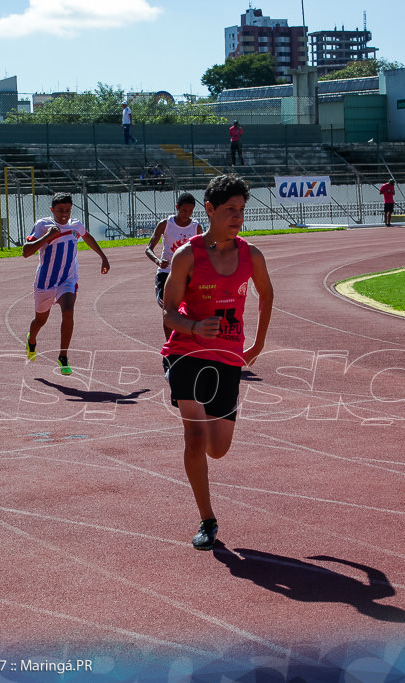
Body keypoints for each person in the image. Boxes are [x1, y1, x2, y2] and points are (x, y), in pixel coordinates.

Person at [160, 173, 274, 551]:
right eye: (230, 210)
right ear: (209, 210)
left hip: (227, 358)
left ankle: (210, 430)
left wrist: (257, 342)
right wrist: (193, 325)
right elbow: (168, 314)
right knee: (194, 436)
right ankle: (207, 519)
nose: (238, 217)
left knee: (218, 448)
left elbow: (267, 295)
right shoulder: (187, 255)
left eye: (242, 210)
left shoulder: (251, 255)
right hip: (187, 352)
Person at [23, 192, 111, 376]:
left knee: (68, 311)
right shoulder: (43, 225)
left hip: (68, 279)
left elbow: (87, 237)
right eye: (60, 210)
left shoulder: (75, 225)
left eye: (68, 210)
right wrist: (47, 236)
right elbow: (26, 252)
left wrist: (103, 257)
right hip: (45, 282)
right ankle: (32, 341)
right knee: (40, 320)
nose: (64, 214)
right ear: (52, 209)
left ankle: (63, 356)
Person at [145, 192, 202, 340]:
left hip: (187, 276)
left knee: (192, 310)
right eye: (183, 210)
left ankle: (186, 345)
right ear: (177, 207)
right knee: (168, 310)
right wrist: (158, 261)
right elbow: (148, 249)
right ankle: (169, 344)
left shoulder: (196, 228)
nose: (186, 214)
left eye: (190, 211)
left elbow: (202, 253)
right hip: (166, 274)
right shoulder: (166, 224)